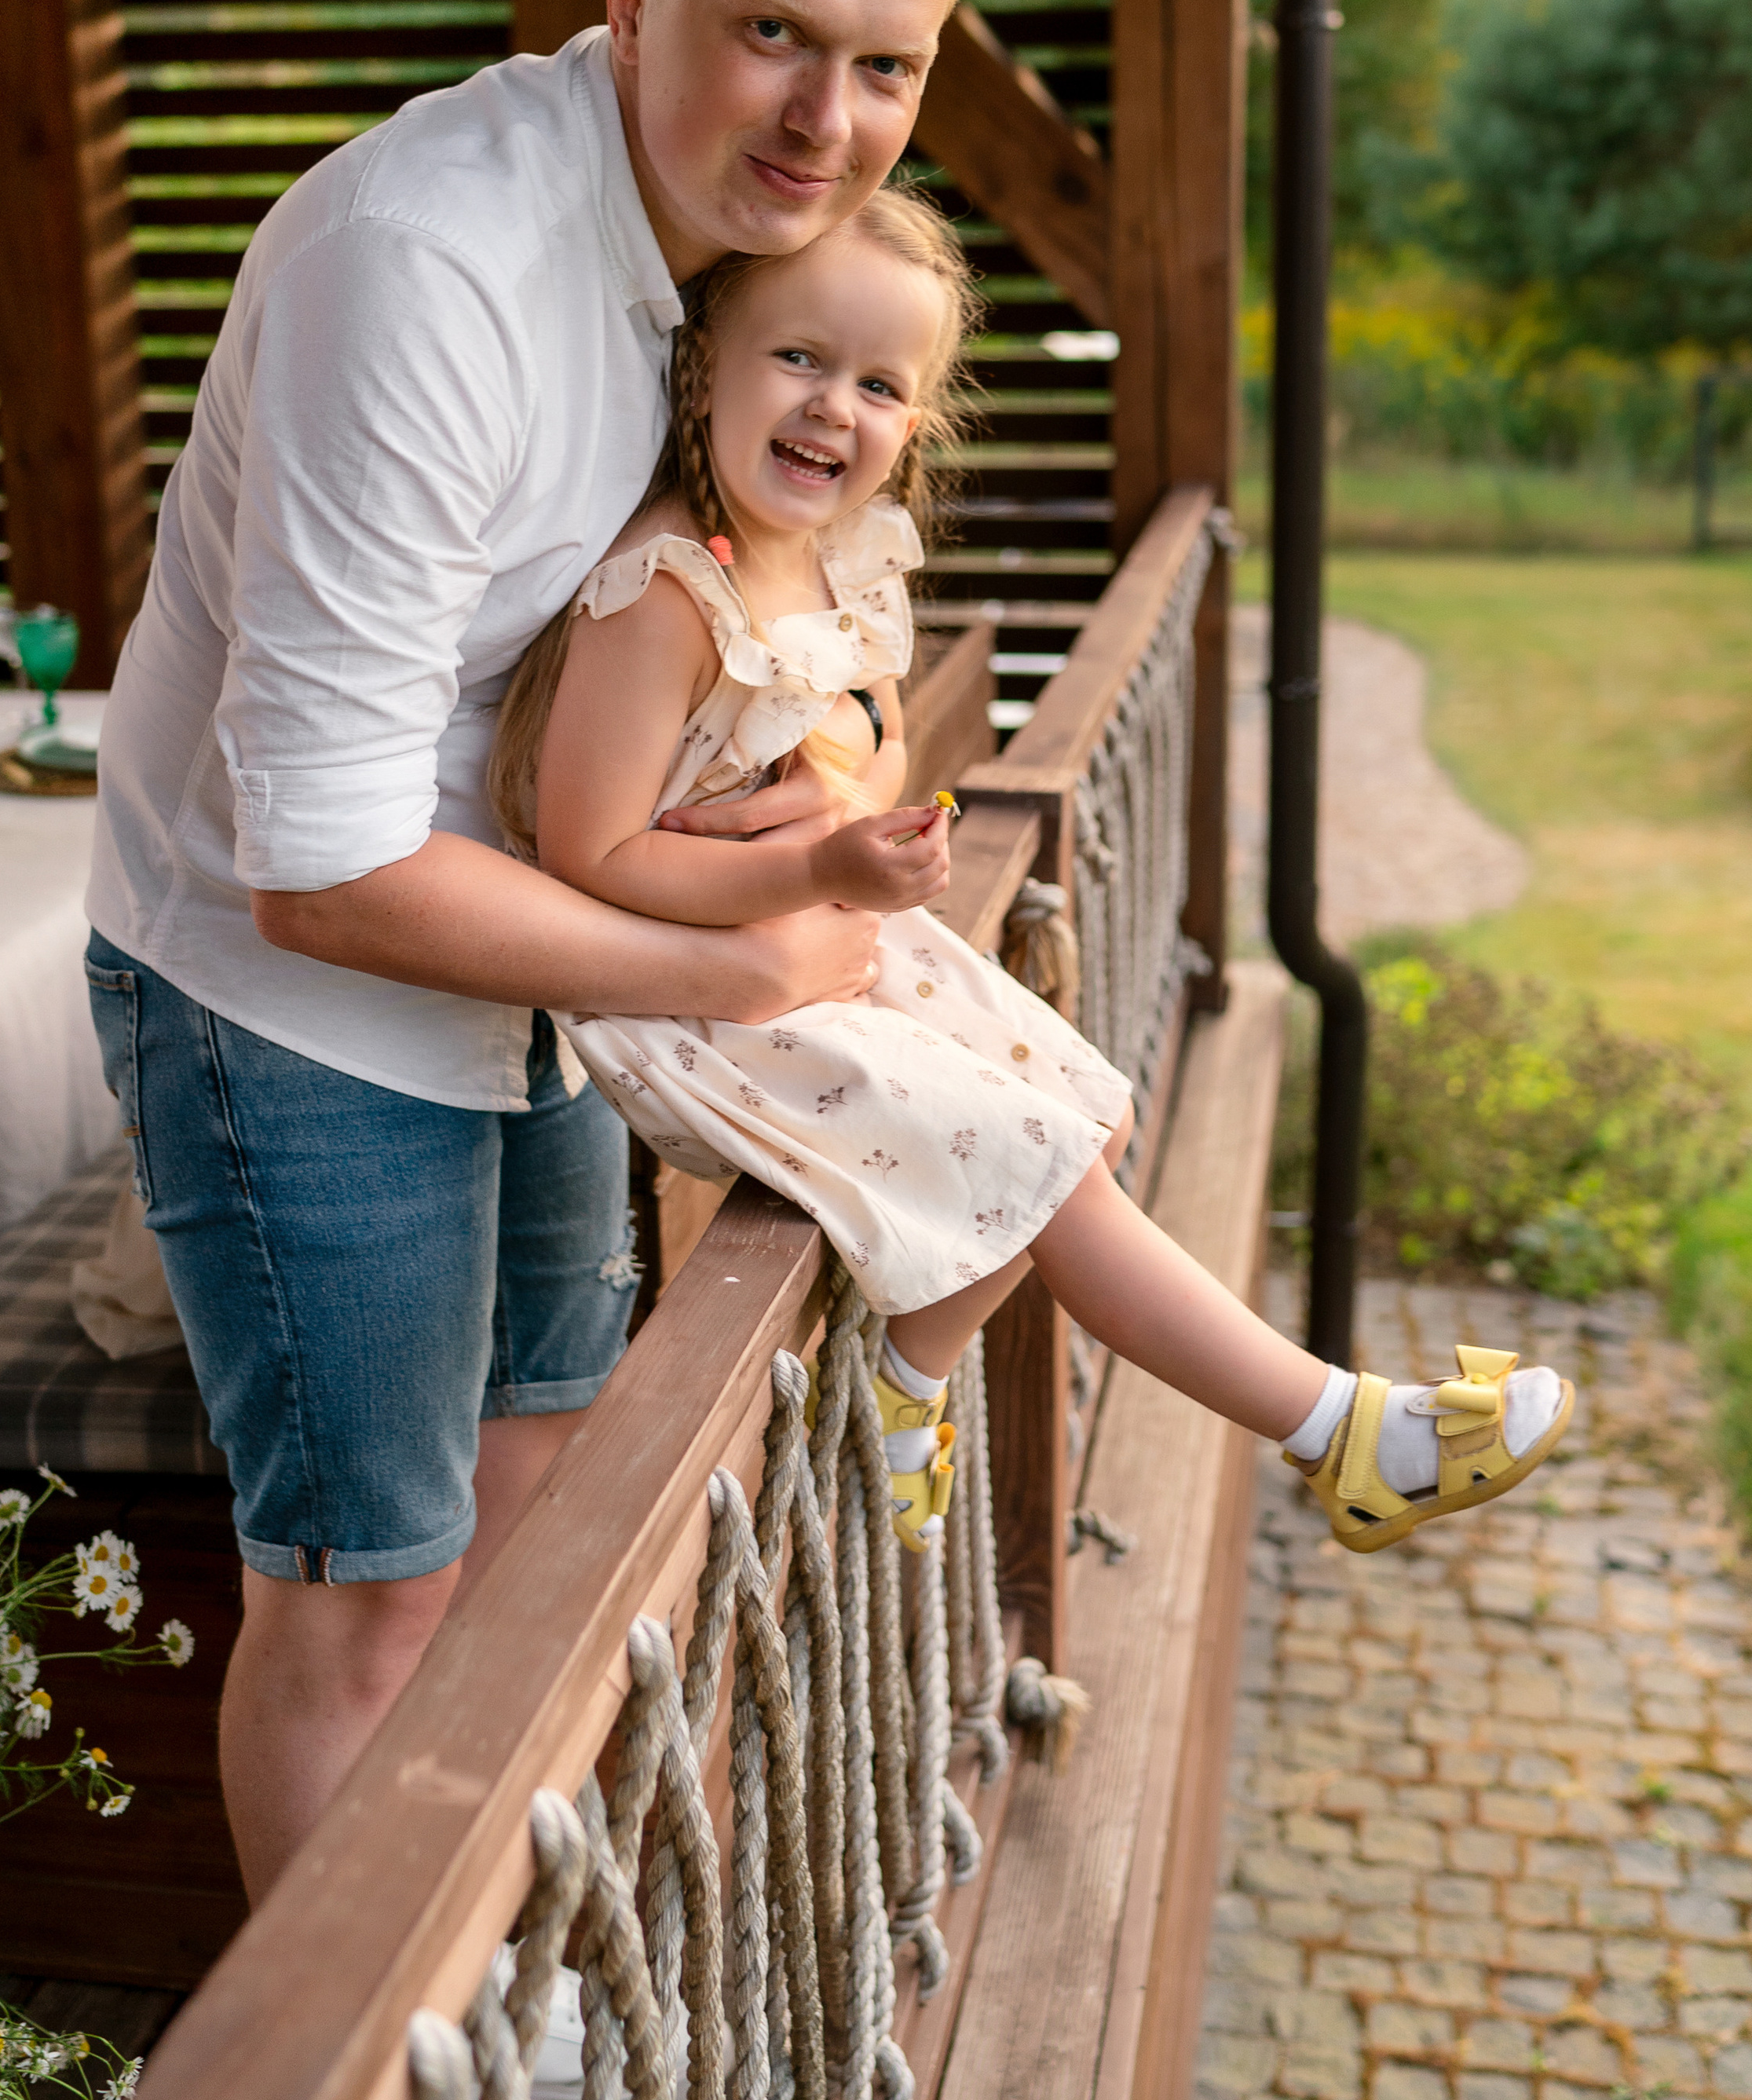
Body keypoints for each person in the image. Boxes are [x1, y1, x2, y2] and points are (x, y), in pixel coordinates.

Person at [82, 0, 977, 1923]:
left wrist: (810, 797)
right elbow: (317, 861)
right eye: (771, 30)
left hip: (534, 969)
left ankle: (501, 1974)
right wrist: (738, 966)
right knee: (368, 1593)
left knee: (544, 1493)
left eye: (883, 63)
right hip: (286, 997)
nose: (821, 118)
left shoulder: (744, 264)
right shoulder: (433, 266)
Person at [492, 185, 1578, 1557]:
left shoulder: (823, 558)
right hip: (682, 999)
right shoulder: (664, 591)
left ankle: (907, 1382)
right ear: (708, 362)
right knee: (1038, 1166)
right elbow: (588, 855)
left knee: (1087, 1119)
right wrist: (817, 859)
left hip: (809, 950)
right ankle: (1344, 1430)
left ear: (917, 423)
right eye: (800, 360)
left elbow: (866, 735)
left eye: (881, 385)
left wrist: (863, 815)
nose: (836, 407)